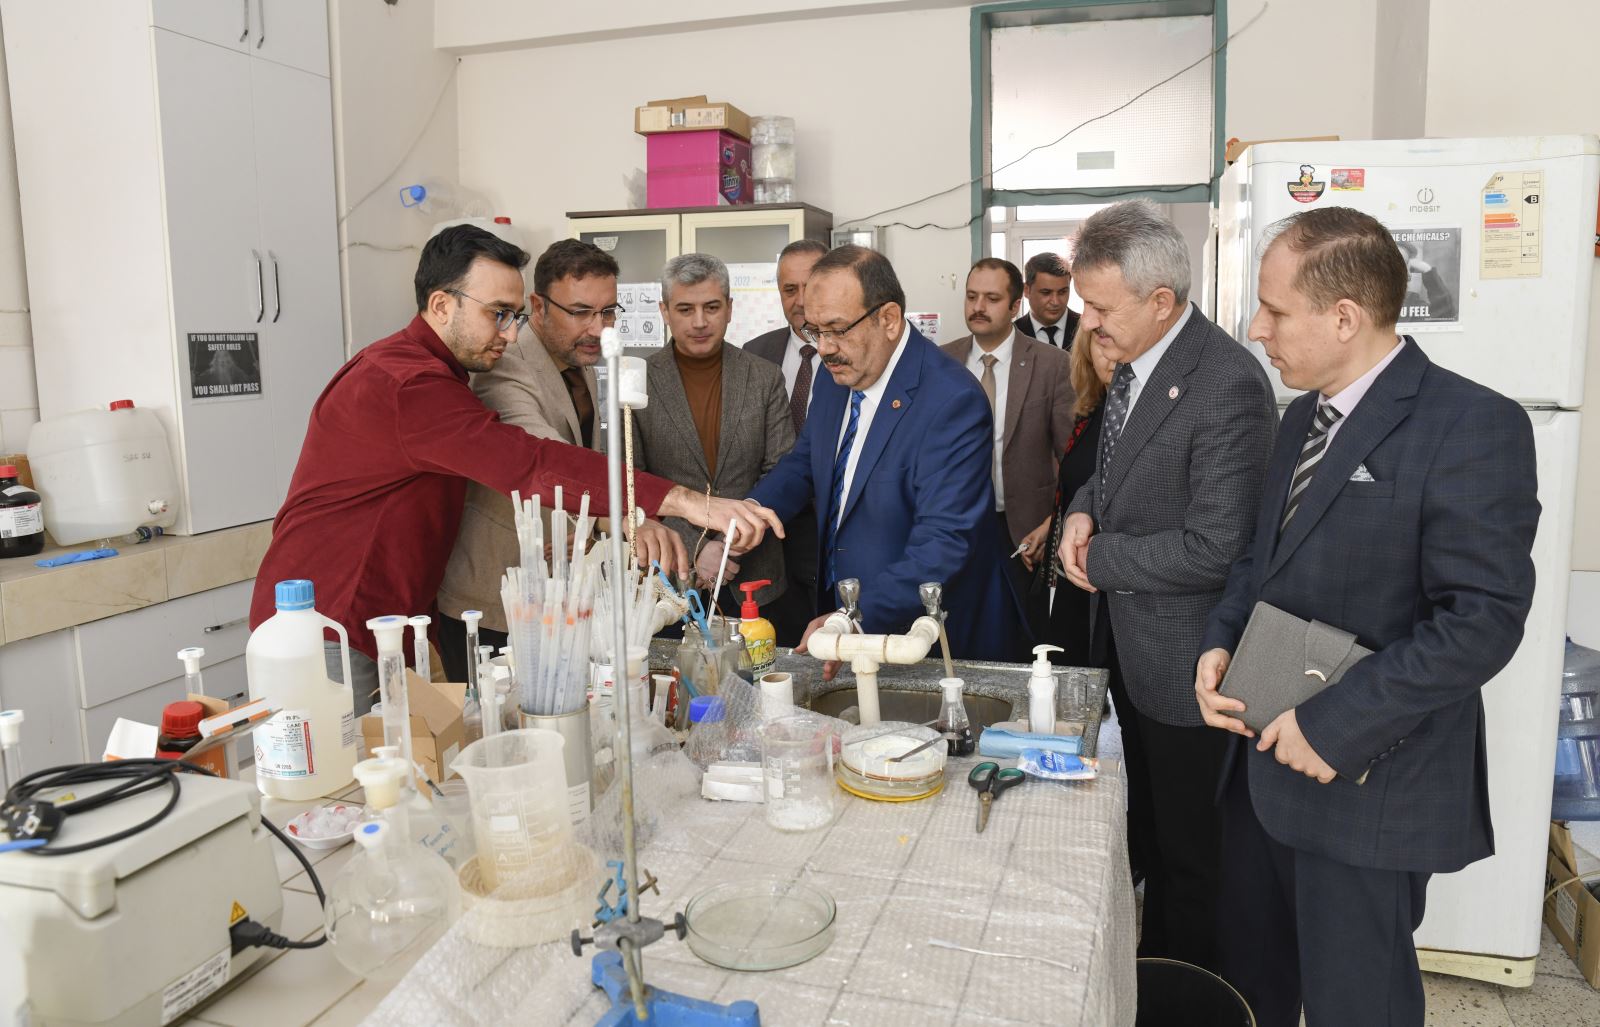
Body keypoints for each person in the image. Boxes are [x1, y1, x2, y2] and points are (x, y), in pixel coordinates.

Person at [1194, 207, 1539, 1026]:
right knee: (1251, 989)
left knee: (1359, 1005)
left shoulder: (1471, 424)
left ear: (1344, 317)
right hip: (1258, 768)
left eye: (1274, 310)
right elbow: (1259, 561)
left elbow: (1481, 621)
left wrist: (1333, 725)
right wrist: (1221, 642)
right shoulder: (1299, 416)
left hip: (1365, 784)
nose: (1256, 329)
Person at [250, 226, 781, 713]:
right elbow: (531, 462)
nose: (508, 333)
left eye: (513, 316)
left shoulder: (433, 370)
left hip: (386, 616)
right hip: (332, 621)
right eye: (498, 314)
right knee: (338, 774)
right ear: (441, 305)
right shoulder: (407, 384)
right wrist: (682, 501)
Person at [1055, 200, 1276, 969]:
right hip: (1130, 648)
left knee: (1192, 855)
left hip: (1190, 667)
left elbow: (1218, 547)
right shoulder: (1134, 358)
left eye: (1100, 307)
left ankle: (1185, 988)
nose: (1087, 323)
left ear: (1160, 300)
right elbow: (1115, 469)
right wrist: (1083, 510)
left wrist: (1099, 559)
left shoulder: (1227, 384)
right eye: (1084, 304)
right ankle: (1139, 965)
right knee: (1143, 820)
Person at [748, 245, 1025, 663]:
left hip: (925, 636)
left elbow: (943, 541)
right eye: (815, 331)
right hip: (843, 616)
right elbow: (806, 461)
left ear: (889, 319)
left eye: (837, 329)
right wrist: (752, 512)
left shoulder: (952, 400)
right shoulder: (836, 374)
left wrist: (852, 618)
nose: (824, 349)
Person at [435, 238, 615, 683]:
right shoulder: (504, 362)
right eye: (580, 312)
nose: (598, 328)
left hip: (553, 590)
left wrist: (590, 533)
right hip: (492, 598)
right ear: (538, 306)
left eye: (608, 312)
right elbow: (543, 452)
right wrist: (612, 517)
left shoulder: (579, 359)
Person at [633, 253, 808, 640]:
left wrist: (727, 545)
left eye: (711, 307)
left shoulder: (763, 377)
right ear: (664, 311)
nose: (699, 322)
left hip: (757, 579)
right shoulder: (636, 381)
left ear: (729, 309)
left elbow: (782, 470)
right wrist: (699, 548)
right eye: (685, 309)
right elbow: (631, 481)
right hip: (669, 583)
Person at [940, 257, 1074, 641]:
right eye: (971, 297)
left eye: (992, 298)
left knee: (1023, 640)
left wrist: (1052, 524)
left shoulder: (1052, 365)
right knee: (958, 637)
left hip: (1022, 534)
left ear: (1016, 305)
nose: (978, 307)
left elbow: (1072, 459)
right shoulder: (941, 362)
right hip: (954, 529)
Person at [745, 239, 828, 639]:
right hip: (769, 531)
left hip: (829, 523)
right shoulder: (756, 353)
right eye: (789, 289)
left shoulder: (849, 353)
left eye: (809, 287)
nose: (800, 300)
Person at [1023, 327, 1115, 661]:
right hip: (1072, 571)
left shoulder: (1129, 417)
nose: (1111, 355)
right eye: (1100, 343)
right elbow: (1079, 483)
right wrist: (1051, 526)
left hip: (1108, 576)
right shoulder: (1091, 409)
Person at [1015, 252, 1079, 349]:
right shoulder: (1011, 335)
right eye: (1046, 293)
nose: (1055, 302)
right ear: (1026, 290)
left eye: (1062, 292)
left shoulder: (1088, 329)